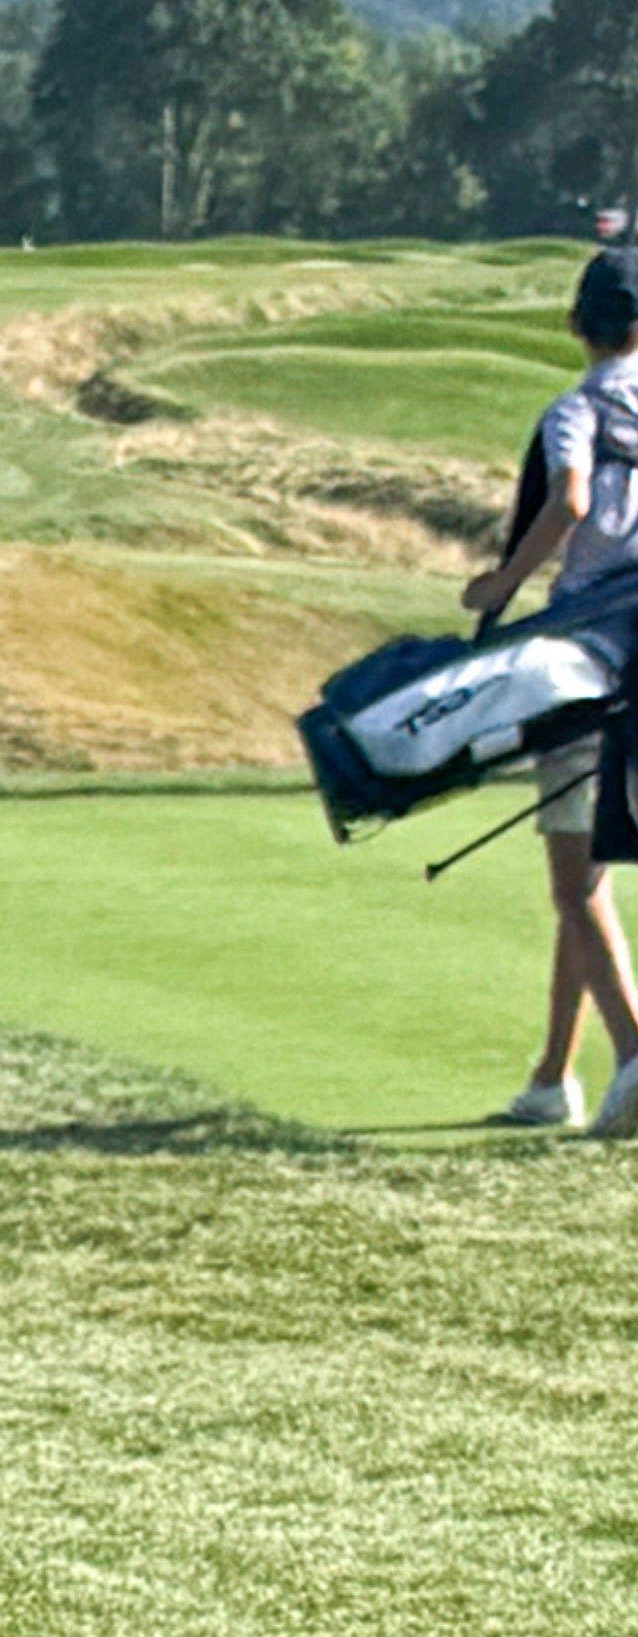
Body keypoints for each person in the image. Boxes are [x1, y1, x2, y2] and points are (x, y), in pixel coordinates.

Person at [466, 246, 638, 1138]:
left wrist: (501, 585)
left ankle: (637, 1054)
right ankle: (550, 1080)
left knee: (573, 882)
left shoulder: (574, 409)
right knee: (594, 877)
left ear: (577, 325)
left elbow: (568, 499)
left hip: (587, 660)